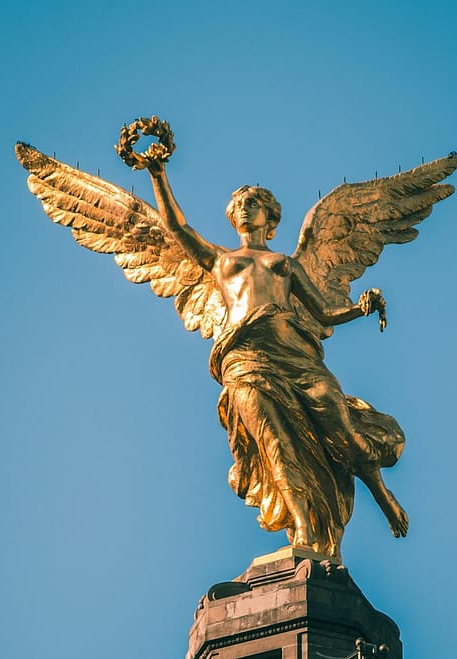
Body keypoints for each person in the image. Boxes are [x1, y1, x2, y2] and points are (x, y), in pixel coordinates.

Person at [147, 166, 408, 559]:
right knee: (276, 444)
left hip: (295, 356)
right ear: (232, 216)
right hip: (245, 359)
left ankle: (381, 494)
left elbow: (323, 313)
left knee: (340, 423)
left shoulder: (285, 264)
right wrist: (158, 172)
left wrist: (359, 308)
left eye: (254, 203)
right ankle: (302, 524)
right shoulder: (219, 261)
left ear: (270, 218)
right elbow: (176, 227)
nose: (246, 209)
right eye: (240, 204)